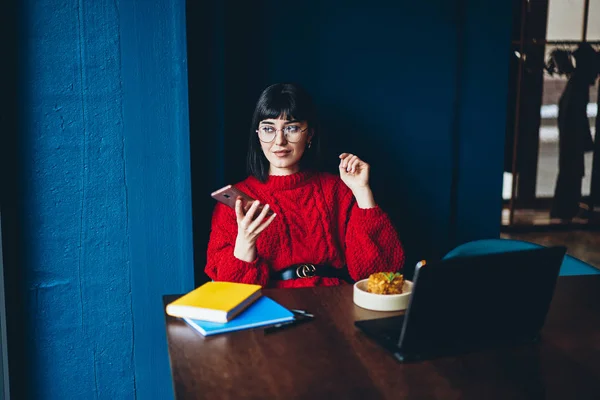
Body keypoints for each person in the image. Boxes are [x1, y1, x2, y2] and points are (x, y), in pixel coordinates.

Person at [205, 83, 405, 288]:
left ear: (309, 135)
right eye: (268, 129)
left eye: (291, 128)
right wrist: (245, 243)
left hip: (335, 301)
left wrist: (362, 192)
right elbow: (228, 293)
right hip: (271, 307)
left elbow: (379, 274)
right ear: (258, 135)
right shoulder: (236, 200)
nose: (279, 141)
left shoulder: (336, 189)